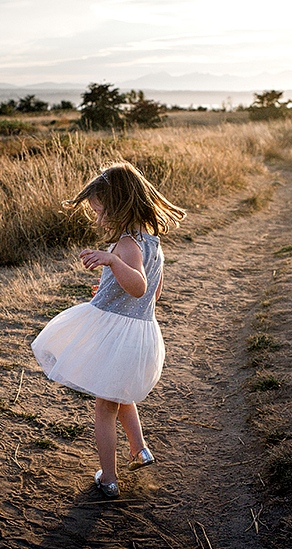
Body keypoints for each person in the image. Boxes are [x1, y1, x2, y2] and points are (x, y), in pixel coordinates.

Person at [31, 161, 185, 498]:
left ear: (119, 206)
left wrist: (114, 262)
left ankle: (109, 478)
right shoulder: (152, 243)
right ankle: (139, 450)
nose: (98, 220)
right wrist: (114, 293)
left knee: (104, 408)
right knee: (120, 392)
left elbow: (140, 287)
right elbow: (155, 293)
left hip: (121, 337)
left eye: (101, 212)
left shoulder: (127, 245)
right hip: (140, 331)